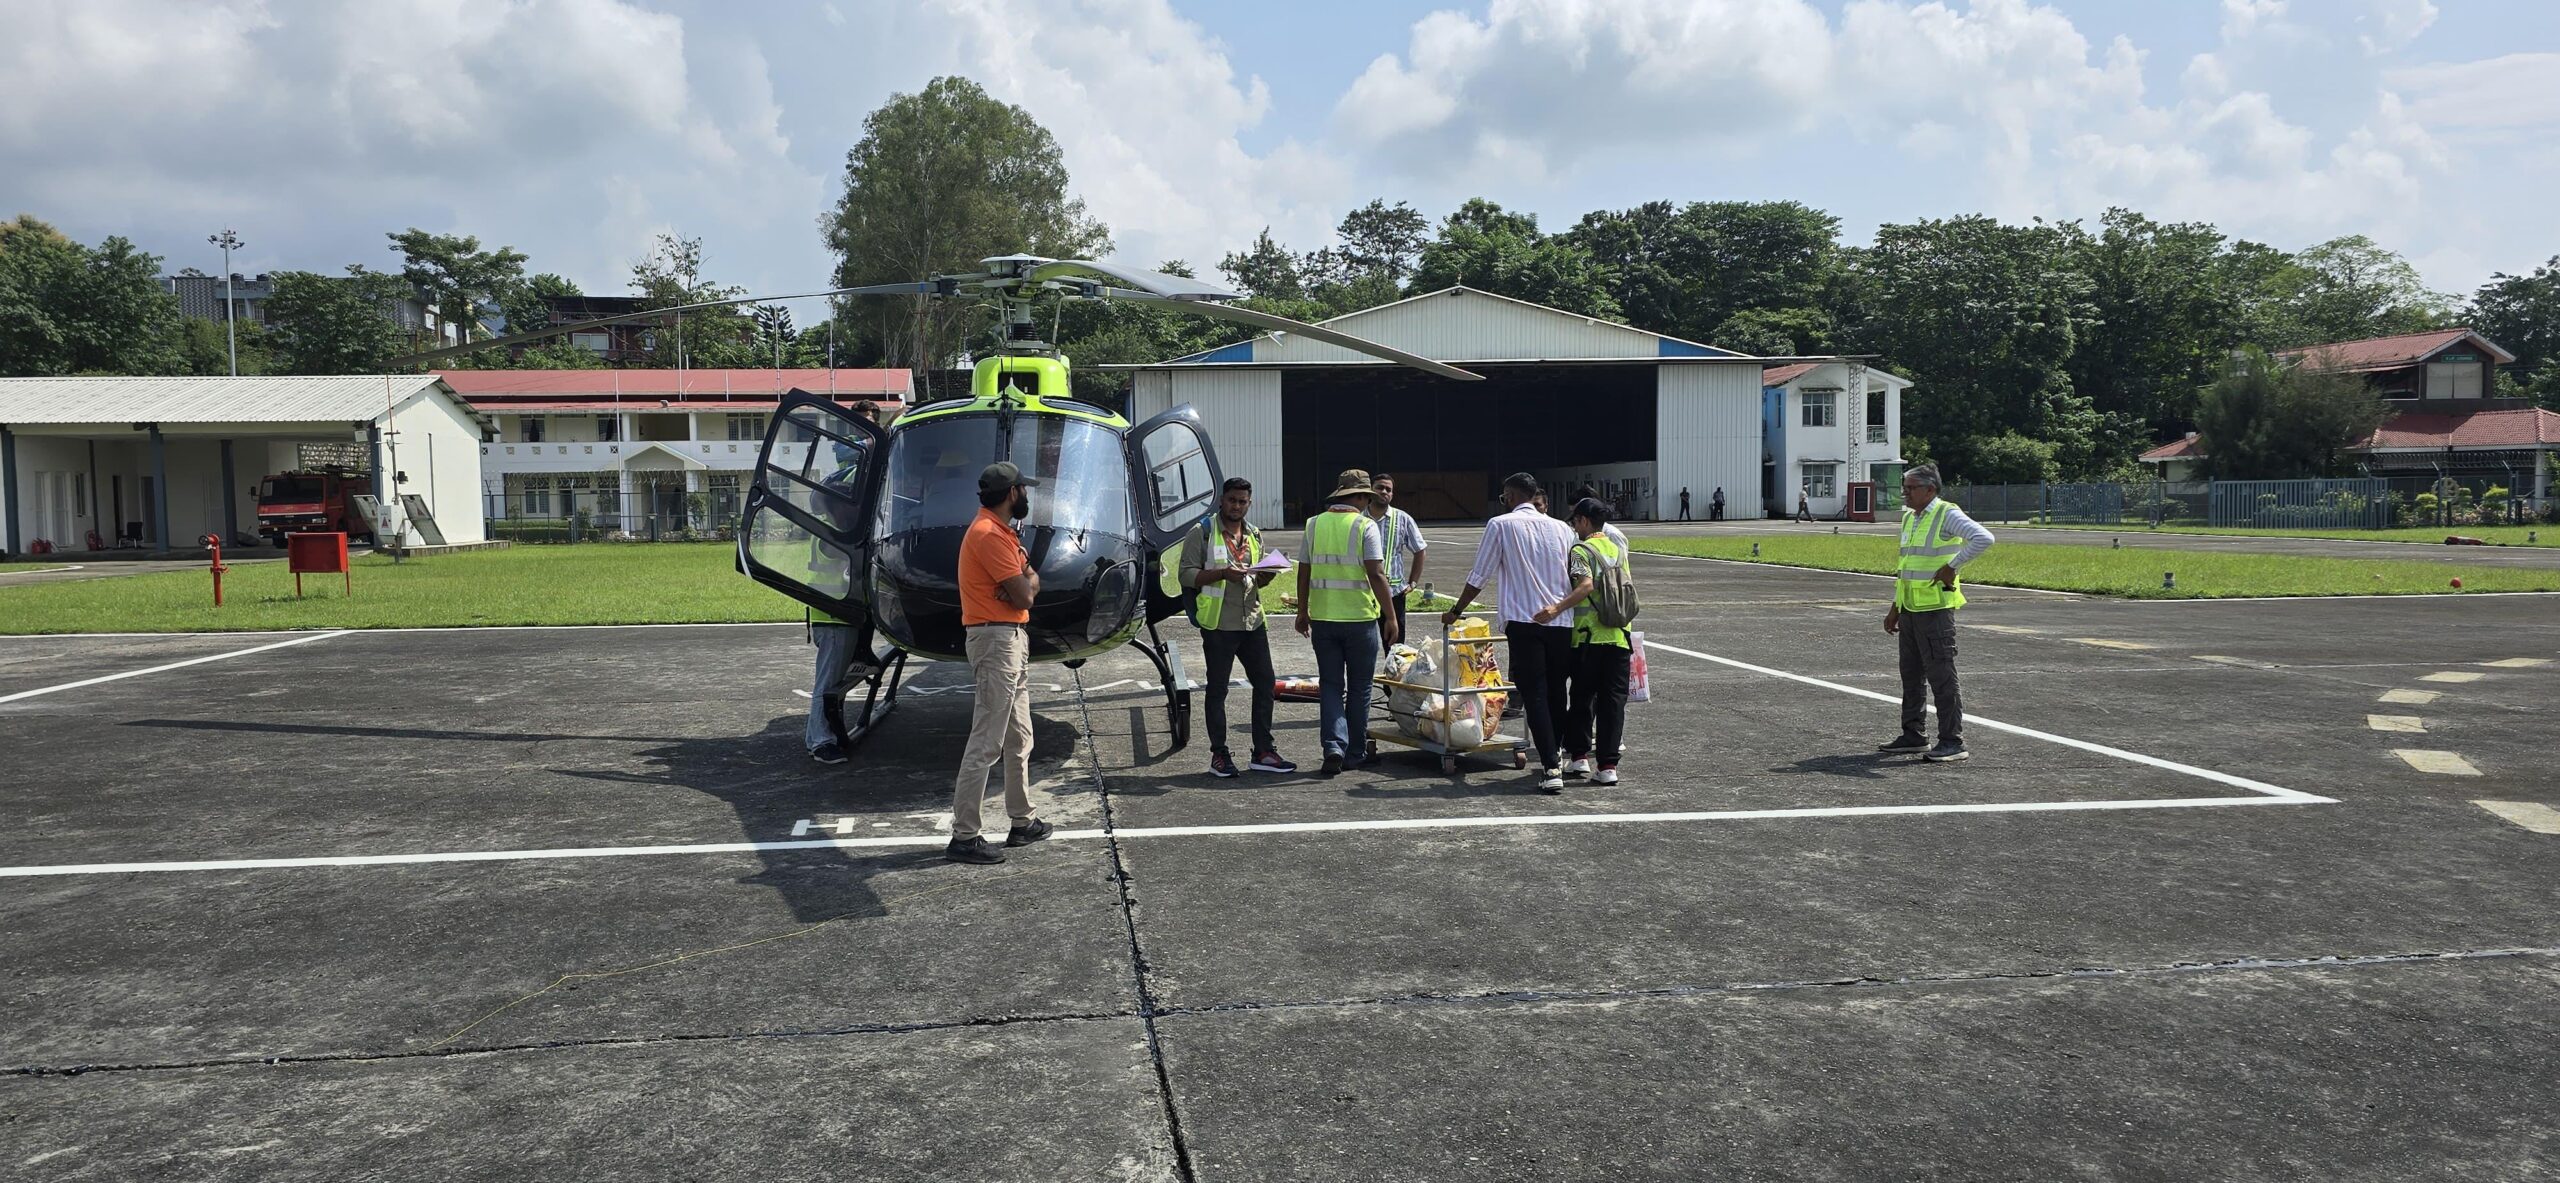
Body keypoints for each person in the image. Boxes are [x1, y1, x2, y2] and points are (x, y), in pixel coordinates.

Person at [1443, 472, 1577, 792]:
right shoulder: (1562, 528)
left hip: (1524, 621)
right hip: (1561, 621)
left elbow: (1480, 575)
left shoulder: (1501, 525)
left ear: (1512, 496)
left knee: (1535, 694)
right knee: (1558, 692)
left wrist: (1457, 610)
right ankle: (1555, 751)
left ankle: (1550, 766)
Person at [948, 461, 1053, 864]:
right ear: (1013, 493)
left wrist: (1023, 585)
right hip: (996, 640)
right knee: (987, 741)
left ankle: (1022, 821)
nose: (1027, 495)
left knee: (1019, 737)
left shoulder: (1003, 533)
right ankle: (964, 836)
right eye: (1024, 489)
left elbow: (1029, 579)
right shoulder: (989, 534)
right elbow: (1027, 594)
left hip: (1008, 638)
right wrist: (1023, 587)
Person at [1177, 477, 1294, 778]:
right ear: (1221, 500)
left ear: (1249, 504)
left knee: (1266, 684)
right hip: (1219, 624)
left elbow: (1255, 580)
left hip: (1252, 621)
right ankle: (1219, 754)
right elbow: (1186, 575)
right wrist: (1220, 574)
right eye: (1232, 500)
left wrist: (1269, 572)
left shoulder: (1254, 534)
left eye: (1243, 502)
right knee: (1217, 690)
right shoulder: (1201, 533)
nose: (1237, 506)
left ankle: (1263, 751)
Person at [1879, 464, 1994, 763]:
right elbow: (1907, 567)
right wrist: (1895, 607)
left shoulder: (1946, 514)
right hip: (1910, 608)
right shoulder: (1910, 517)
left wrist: (1952, 566)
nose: (1905, 492)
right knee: (1911, 674)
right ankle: (1913, 735)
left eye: (1911, 487)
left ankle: (1952, 741)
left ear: (1930, 490)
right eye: (1904, 486)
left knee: (1942, 676)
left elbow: (1983, 538)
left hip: (1935, 609)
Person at [1296, 469, 1397, 775]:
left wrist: (1303, 611)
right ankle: (1354, 752)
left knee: (1330, 685)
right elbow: (1376, 574)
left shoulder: (1313, 524)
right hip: (1360, 620)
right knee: (1360, 688)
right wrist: (1390, 615)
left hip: (1324, 619)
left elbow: (1303, 571)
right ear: (1363, 497)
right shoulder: (1365, 525)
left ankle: (1332, 745)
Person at [1537, 498, 1632, 786]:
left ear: (1584, 521)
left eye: (1574, 521)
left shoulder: (1580, 549)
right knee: (1613, 703)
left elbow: (1585, 585)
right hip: (1619, 635)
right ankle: (1608, 766)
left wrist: (1555, 609)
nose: (1573, 526)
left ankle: (1578, 758)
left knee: (1581, 699)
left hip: (1588, 637)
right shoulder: (1618, 548)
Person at [1368, 473, 1428, 656]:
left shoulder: (1402, 519)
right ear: (1371, 490)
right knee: (1363, 644)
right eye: (1380, 487)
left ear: (1392, 495)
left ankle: (1391, 685)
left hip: (1394, 593)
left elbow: (1420, 550)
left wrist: (1413, 582)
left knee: (1394, 646)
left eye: (1388, 489)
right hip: (1363, 591)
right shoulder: (1358, 517)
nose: (1384, 492)